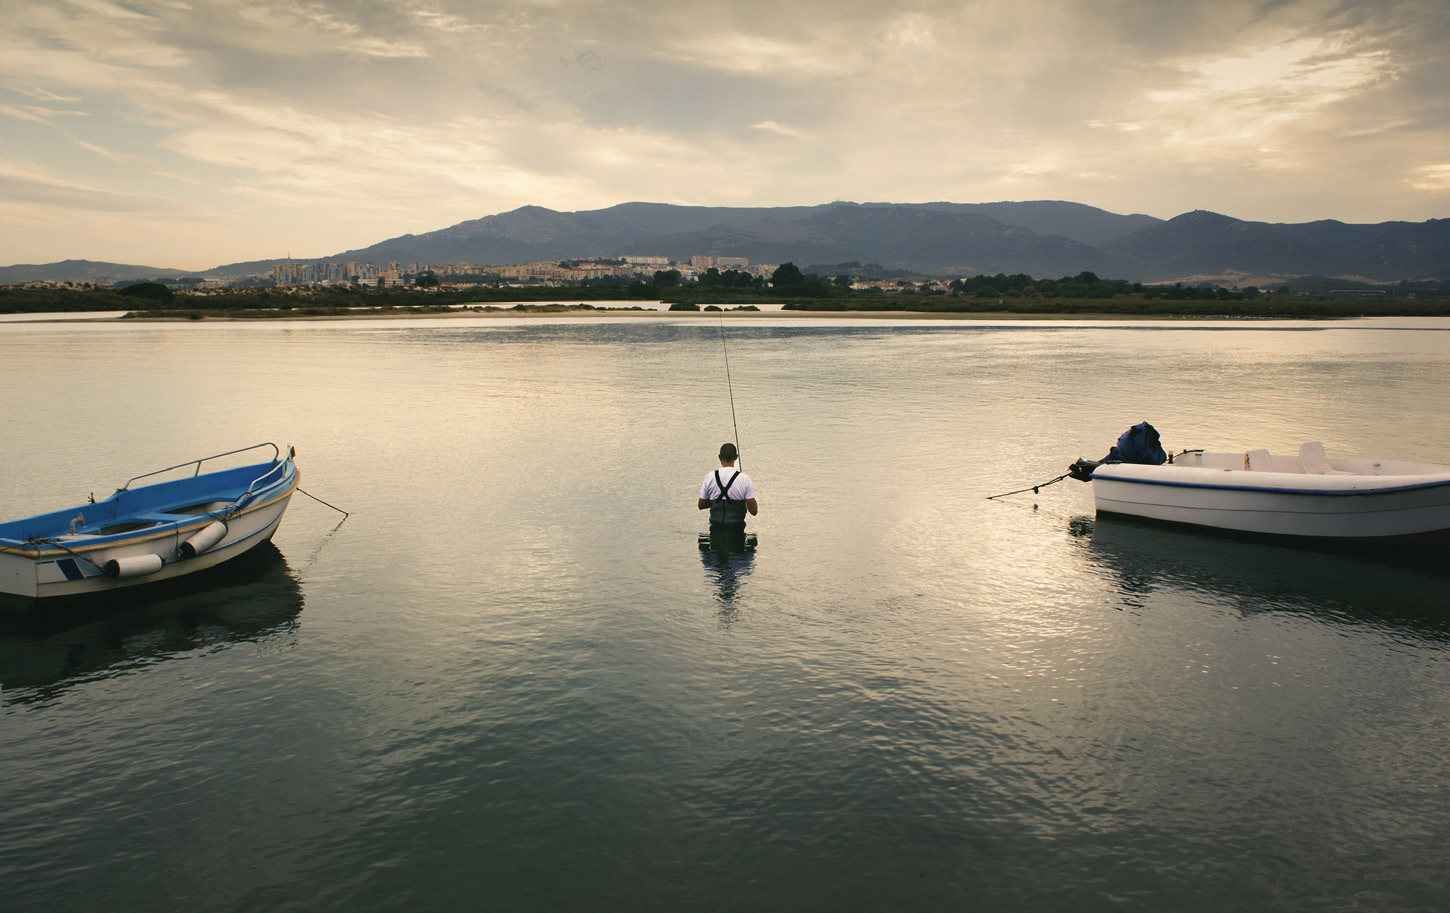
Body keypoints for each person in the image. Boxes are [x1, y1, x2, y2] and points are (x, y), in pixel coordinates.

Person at [698, 442, 757, 529]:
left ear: (719, 457)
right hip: (737, 528)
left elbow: (701, 505)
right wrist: (744, 503)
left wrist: (715, 500)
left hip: (715, 526)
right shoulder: (744, 479)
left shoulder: (709, 477)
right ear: (736, 457)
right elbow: (753, 511)